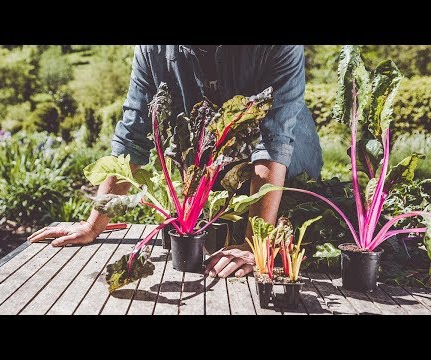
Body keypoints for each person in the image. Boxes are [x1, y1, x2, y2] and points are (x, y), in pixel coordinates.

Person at [28, 45, 323, 279]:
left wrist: (252, 246)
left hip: (285, 181)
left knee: (290, 257)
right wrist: (93, 225)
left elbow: (273, 144)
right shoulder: (152, 50)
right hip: (220, 189)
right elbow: (133, 137)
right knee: (212, 262)